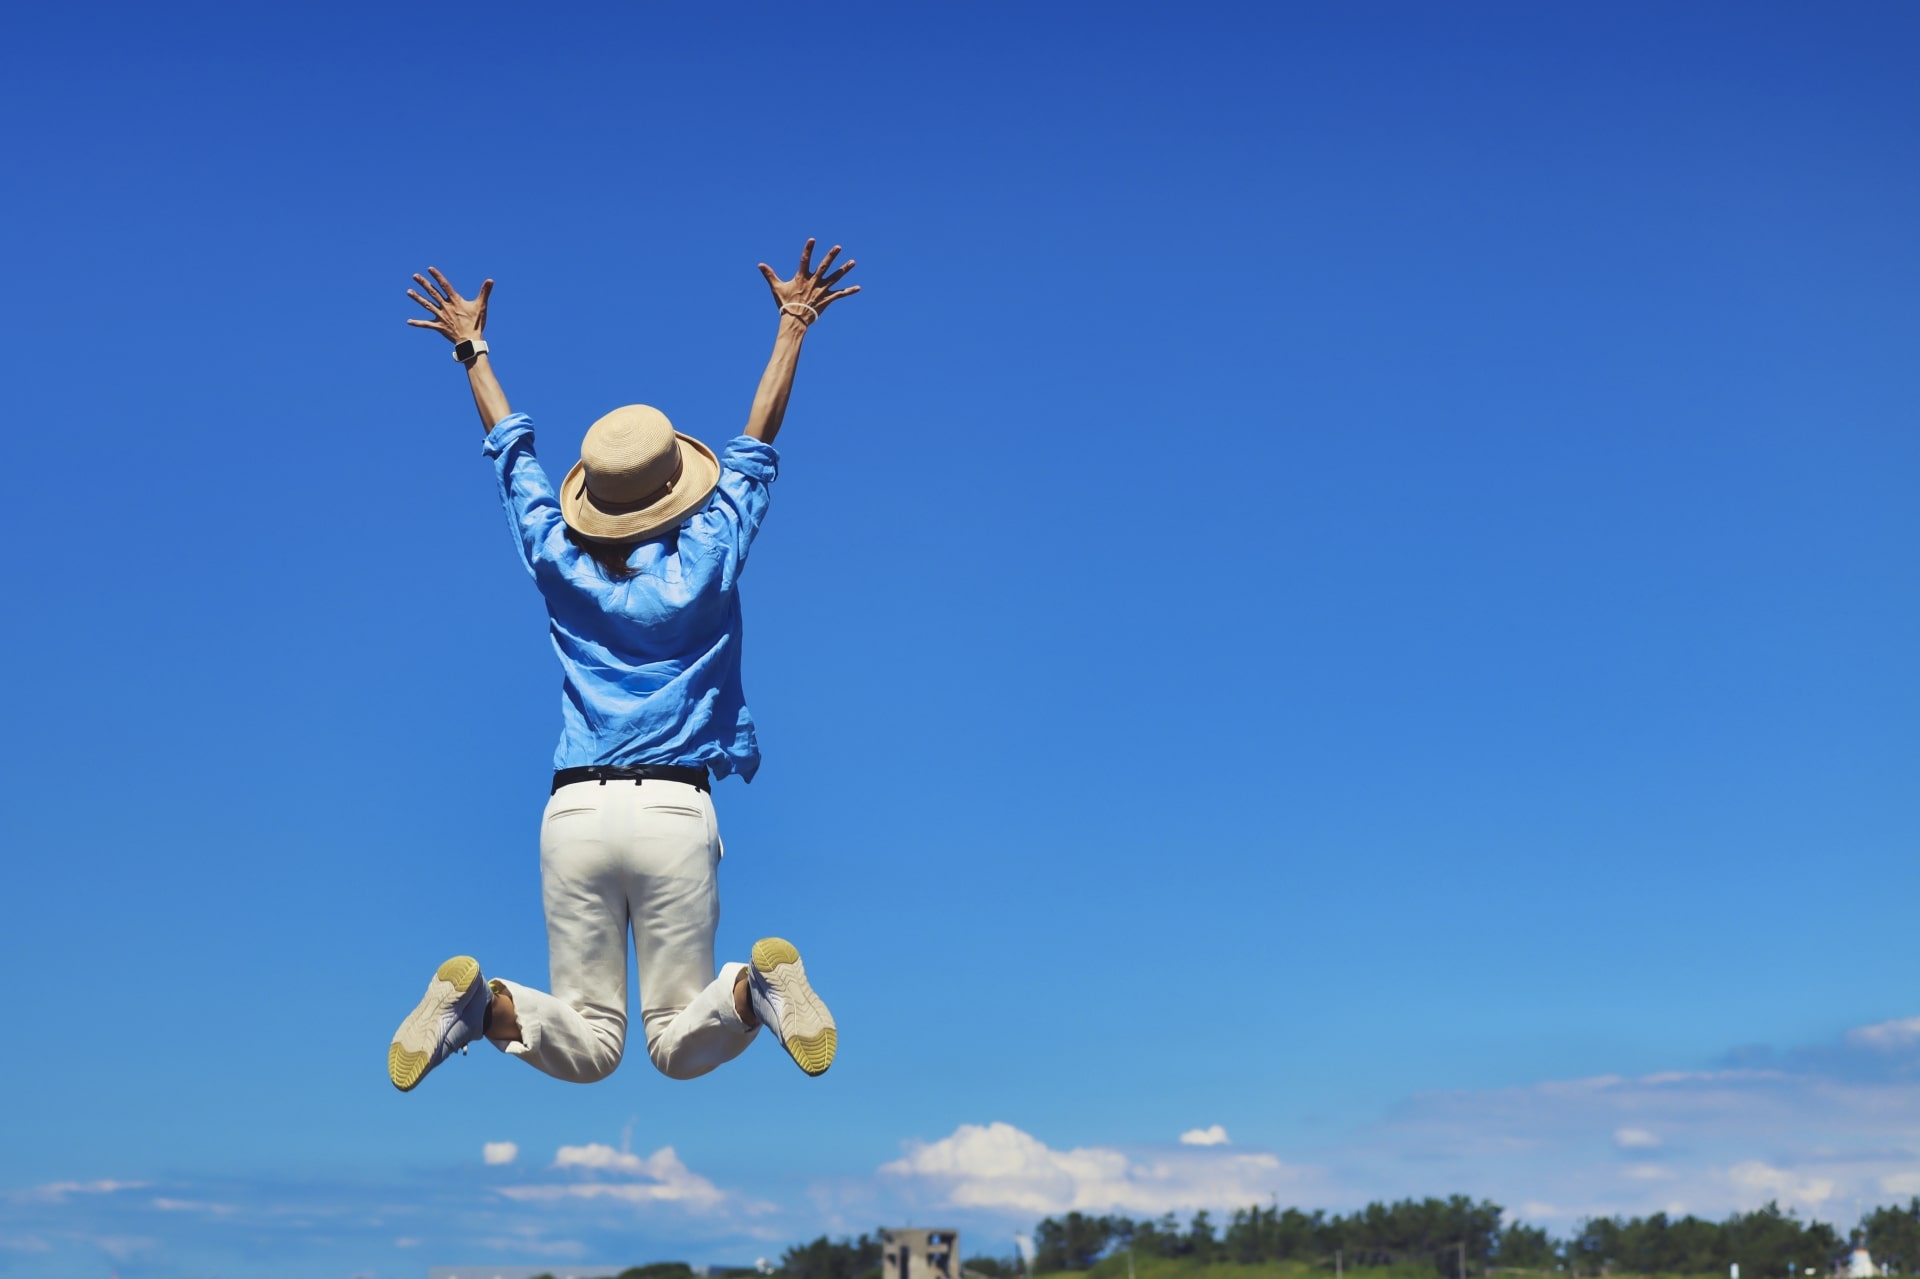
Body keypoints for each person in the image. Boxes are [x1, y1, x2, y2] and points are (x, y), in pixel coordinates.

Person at [386, 240, 860, 1092]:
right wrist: (793, 325)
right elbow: (758, 439)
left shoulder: (556, 561)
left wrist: (472, 349)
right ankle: (754, 993)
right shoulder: (713, 551)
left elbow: (512, 458)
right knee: (676, 1043)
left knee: (591, 1042)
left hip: (573, 814)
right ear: (678, 484)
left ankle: (476, 1010)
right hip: (674, 808)